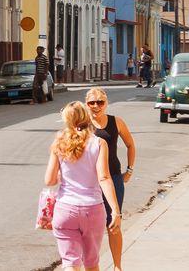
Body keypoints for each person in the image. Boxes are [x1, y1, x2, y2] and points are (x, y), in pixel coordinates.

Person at [44, 102, 121, 271]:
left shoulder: (59, 142)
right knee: (91, 263)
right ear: (87, 118)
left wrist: (63, 174)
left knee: (70, 263)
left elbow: (49, 180)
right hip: (92, 209)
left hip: (65, 209)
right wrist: (115, 210)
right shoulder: (99, 143)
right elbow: (104, 177)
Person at [85, 88, 137, 271]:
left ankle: (117, 266)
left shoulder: (116, 122)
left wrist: (129, 170)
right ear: (86, 104)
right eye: (92, 102)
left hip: (113, 179)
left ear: (106, 103)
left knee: (113, 223)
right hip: (89, 182)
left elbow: (130, 144)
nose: (96, 106)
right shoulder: (82, 124)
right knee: (90, 227)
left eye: (100, 102)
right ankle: (92, 265)